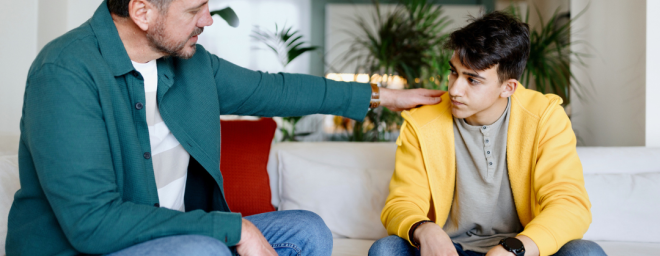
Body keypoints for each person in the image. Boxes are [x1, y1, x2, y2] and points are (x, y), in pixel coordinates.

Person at [4, 0, 445, 255]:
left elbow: (277, 91)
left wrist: (383, 96)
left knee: (307, 230)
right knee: (205, 249)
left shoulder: (189, 65)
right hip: (88, 248)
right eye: (194, 9)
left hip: (176, 235)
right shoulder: (65, 72)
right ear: (142, 11)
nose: (209, 19)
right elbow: (92, 223)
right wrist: (234, 229)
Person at [369, 12, 607, 256]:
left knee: (586, 253)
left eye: (472, 80)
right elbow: (401, 203)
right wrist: (424, 229)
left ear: (508, 87)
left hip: (520, 249)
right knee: (386, 250)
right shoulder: (421, 122)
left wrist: (515, 248)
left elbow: (569, 203)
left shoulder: (545, 117)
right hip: (450, 250)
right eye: (454, 72)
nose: (454, 89)